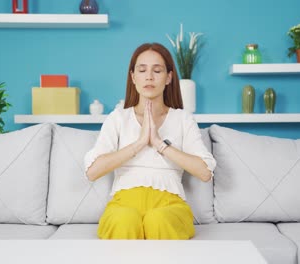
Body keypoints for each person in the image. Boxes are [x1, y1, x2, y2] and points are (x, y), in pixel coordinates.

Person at [84, 42, 216, 240]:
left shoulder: (183, 119)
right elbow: (93, 171)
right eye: (142, 70)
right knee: (125, 220)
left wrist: (159, 143)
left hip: (169, 205)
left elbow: (205, 172)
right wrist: (139, 143)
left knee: (158, 220)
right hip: (124, 203)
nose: (149, 77)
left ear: (169, 77)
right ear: (133, 77)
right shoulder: (118, 118)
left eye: (157, 70)